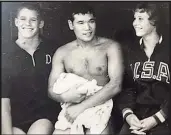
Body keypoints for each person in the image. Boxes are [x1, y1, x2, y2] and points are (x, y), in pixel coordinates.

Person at [48, 3, 123, 134]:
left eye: (91, 21)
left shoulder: (110, 47)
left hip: (101, 106)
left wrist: (81, 107)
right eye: (80, 22)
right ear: (71, 25)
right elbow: (50, 90)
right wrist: (65, 96)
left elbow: (116, 85)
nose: (87, 28)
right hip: (71, 107)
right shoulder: (62, 52)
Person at [1, 3, 60, 134]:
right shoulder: (5, 53)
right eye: (23, 19)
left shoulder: (52, 49)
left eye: (33, 20)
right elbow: (3, 99)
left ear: (41, 24)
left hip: (43, 116)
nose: (27, 23)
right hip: (15, 118)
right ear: (16, 22)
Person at [117, 2, 170, 135]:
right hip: (138, 117)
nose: (135, 23)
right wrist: (129, 115)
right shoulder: (130, 52)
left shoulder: (168, 49)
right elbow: (127, 88)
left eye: (140, 18)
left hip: (165, 116)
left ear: (154, 21)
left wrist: (158, 118)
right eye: (135, 18)